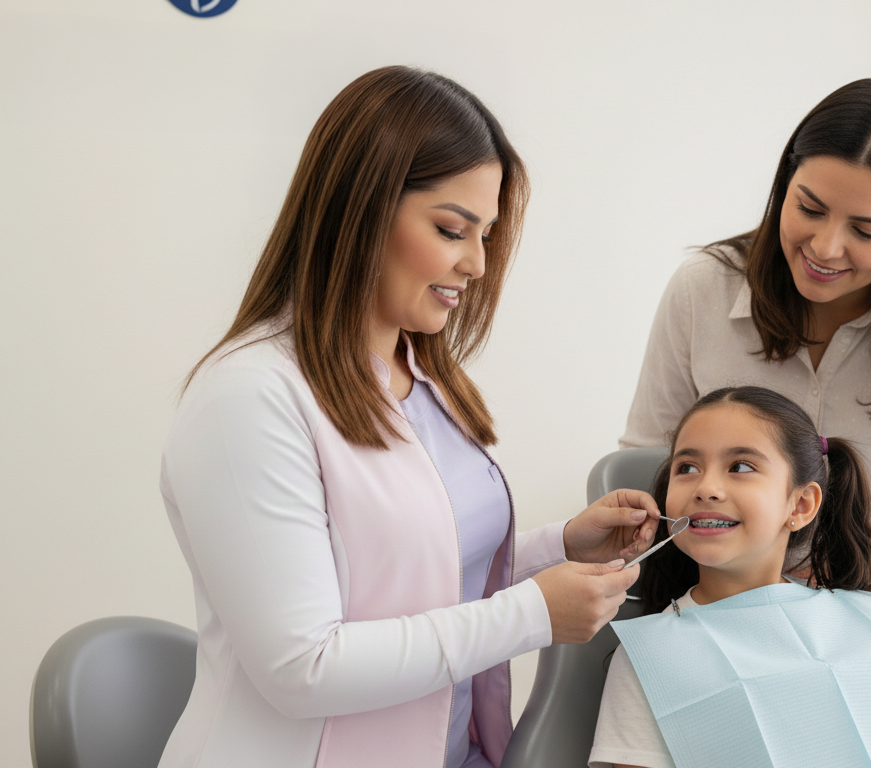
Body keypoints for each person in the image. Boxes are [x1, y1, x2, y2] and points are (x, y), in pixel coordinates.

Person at [158, 66, 660, 768]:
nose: (478, 264)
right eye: (453, 229)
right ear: (357, 211)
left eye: (485, 234)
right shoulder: (246, 400)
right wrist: (533, 615)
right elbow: (303, 667)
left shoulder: (423, 379)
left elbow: (421, 574)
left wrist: (561, 549)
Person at [622, 78, 871, 611]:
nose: (826, 248)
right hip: (715, 619)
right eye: (809, 208)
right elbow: (647, 458)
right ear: (785, 184)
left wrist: (854, 576)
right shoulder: (703, 290)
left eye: (867, 232)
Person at [590, 386, 871, 768]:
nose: (706, 488)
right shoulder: (650, 657)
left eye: (740, 466)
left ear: (801, 504)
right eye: (687, 468)